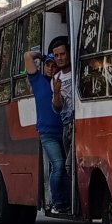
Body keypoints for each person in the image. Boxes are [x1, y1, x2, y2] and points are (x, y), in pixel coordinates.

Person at [24, 49, 70, 214]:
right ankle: (56, 201)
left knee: (65, 167)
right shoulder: (38, 81)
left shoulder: (63, 80)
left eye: (54, 65)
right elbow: (28, 56)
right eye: (47, 65)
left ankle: (65, 201)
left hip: (65, 129)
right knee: (57, 165)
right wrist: (43, 56)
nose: (50, 68)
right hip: (48, 133)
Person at [50, 36, 74, 168]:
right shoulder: (55, 79)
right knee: (69, 167)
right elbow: (57, 108)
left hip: (79, 121)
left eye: (62, 54)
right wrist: (57, 92)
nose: (59, 58)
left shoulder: (78, 72)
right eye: (56, 55)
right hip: (66, 125)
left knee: (71, 164)